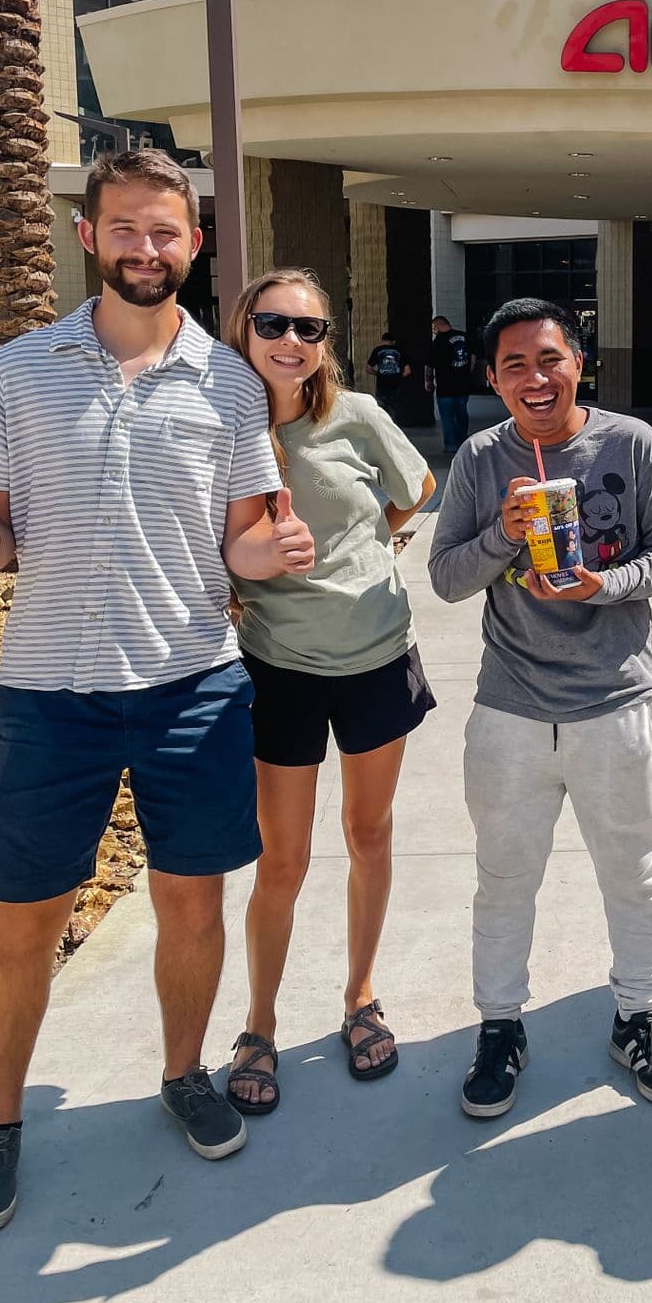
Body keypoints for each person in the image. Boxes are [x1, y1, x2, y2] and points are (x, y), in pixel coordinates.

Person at [0, 149, 316, 1235]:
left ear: (195, 244)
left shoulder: (234, 384)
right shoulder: (22, 368)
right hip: (48, 691)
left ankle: (182, 1072)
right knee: (23, 922)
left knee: (191, 902)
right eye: (125, 230)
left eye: (166, 232)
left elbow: (240, 543)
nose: (145, 250)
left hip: (190, 684)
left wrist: (272, 549)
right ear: (87, 237)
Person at [428, 297, 652, 1118]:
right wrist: (504, 534)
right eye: (514, 365)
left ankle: (637, 1014)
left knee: (635, 872)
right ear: (492, 379)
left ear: (579, 363)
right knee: (503, 879)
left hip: (615, 699)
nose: (534, 378)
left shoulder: (631, 443)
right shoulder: (480, 458)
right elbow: (445, 577)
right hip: (510, 708)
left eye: (549, 359)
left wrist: (602, 584)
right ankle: (501, 1026)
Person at [221, 270, 437, 1113]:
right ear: (243, 329)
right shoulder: (223, 428)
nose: (291, 342)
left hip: (377, 655)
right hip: (279, 666)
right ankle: (260, 1024)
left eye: (309, 329)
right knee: (283, 858)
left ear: (326, 343)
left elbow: (414, 488)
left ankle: (359, 997)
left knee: (369, 833)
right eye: (273, 323)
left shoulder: (354, 417)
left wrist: (367, 549)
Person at [426, 314, 475, 455]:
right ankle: (462, 442)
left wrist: (428, 381)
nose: (434, 331)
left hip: (445, 386)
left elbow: (430, 364)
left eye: (434, 328)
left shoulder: (438, 342)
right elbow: (472, 358)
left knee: (447, 417)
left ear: (439, 325)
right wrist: (467, 374)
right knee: (462, 414)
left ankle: (450, 445)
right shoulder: (465, 337)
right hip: (463, 386)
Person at [366, 329, 408, 418]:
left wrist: (379, 374)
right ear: (394, 341)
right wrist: (398, 375)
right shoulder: (400, 351)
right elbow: (408, 371)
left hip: (381, 384)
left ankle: (382, 428)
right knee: (395, 408)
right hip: (396, 384)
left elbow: (368, 369)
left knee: (381, 410)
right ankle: (395, 427)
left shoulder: (377, 350)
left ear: (382, 340)